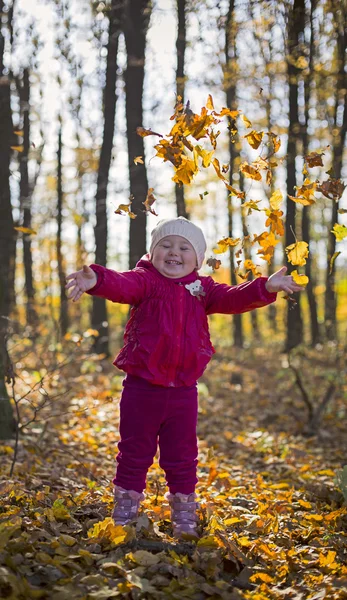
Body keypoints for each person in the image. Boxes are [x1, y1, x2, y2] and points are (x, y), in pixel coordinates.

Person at [65, 217, 304, 538]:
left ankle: (184, 513)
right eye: (165, 245)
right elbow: (122, 285)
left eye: (183, 247)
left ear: (198, 259)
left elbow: (233, 297)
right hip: (142, 388)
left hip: (183, 391)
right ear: (152, 253)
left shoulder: (202, 289)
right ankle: (124, 509)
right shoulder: (146, 281)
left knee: (182, 455)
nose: (173, 252)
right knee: (135, 450)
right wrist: (97, 279)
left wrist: (266, 286)